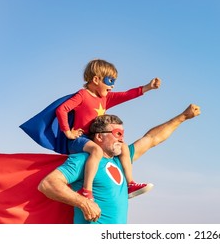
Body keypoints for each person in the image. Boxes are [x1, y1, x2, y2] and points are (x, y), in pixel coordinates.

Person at [38, 103, 201, 224]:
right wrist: (84, 202)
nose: (121, 139)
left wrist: (183, 117)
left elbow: (152, 139)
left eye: (122, 134)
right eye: (116, 134)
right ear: (99, 137)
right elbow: (48, 184)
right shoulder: (84, 159)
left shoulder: (122, 161)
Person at [55, 58, 161, 200]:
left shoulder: (105, 98)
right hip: (80, 140)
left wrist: (148, 87)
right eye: (110, 81)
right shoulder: (82, 95)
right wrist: (68, 132)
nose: (112, 86)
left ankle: (130, 183)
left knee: (122, 147)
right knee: (96, 150)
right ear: (96, 79)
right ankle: (86, 190)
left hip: (95, 139)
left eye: (114, 81)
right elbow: (62, 109)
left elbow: (126, 95)